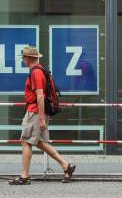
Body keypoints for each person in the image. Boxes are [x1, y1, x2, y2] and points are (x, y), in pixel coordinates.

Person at [9, 46, 75, 185]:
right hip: (38, 111)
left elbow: (40, 96)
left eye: (24, 57)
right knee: (39, 142)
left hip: (35, 111)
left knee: (26, 141)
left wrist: (40, 118)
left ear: (30, 58)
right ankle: (66, 165)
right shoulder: (40, 71)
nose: (23, 59)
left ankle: (25, 176)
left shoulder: (36, 73)